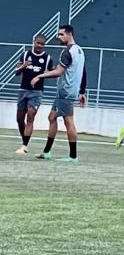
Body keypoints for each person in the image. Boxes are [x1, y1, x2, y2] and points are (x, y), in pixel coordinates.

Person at [32, 25, 87, 163]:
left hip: (66, 91)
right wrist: (82, 91)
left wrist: (40, 76)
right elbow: (84, 72)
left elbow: (58, 72)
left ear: (69, 34)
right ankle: (47, 152)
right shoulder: (80, 51)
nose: (59, 37)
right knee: (52, 117)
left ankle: (73, 156)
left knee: (69, 122)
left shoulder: (68, 52)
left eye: (61, 34)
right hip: (67, 91)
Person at [14, 35, 54, 154]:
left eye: (42, 44)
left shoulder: (47, 59)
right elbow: (16, 72)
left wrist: (47, 74)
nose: (40, 46)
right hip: (23, 90)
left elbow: (51, 73)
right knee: (20, 119)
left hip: (36, 92)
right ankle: (24, 140)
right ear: (34, 42)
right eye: (38, 43)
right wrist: (23, 66)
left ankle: (25, 145)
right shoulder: (25, 55)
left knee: (30, 115)